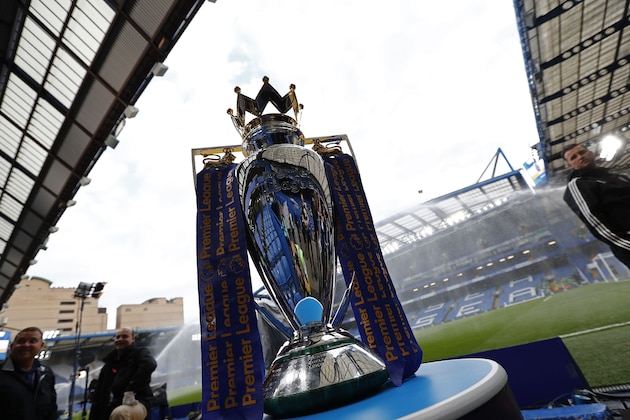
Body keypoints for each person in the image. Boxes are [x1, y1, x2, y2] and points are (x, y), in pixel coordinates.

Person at [563, 143, 630, 268]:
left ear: (591, 153)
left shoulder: (617, 177)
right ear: (569, 165)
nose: (580, 157)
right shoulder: (578, 184)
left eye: (582, 152)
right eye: (573, 157)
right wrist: (625, 243)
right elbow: (595, 221)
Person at [89, 327, 157, 420]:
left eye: (125, 336)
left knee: (120, 413)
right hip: (113, 406)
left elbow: (149, 364)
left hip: (137, 403)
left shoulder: (139, 354)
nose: (120, 339)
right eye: (118, 337)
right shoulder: (108, 365)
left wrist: (131, 390)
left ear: (133, 339)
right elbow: (98, 394)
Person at [0, 326, 58, 419]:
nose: (26, 345)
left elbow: (51, 409)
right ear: (12, 346)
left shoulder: (46, 374)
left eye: (32, 341)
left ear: (41, 346)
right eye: (21, 341)